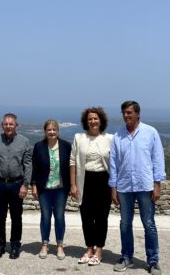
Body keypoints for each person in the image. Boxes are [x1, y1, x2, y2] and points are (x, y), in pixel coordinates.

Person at [110, 101, 166, 275]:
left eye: (129, 112)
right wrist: (113, 187)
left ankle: (153, 261)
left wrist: (157, 184)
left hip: (145, 185)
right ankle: (126, 257)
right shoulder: (118, 136)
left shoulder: (150, 132)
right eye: (124, 113)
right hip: (124, 186)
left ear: (137, 114)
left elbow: (158, 158)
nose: (126, 115)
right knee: (125, 224)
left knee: (149, 224)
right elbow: (113, 163)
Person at [69, 107, 113, 266]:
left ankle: (99, 250)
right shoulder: (78, 138)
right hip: (84, 180)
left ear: (101, 121)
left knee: (101, 217)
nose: (93, 121)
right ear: (86, 121)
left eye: (95, 118)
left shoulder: (110, 139)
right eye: (90, 119)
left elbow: (115, 163)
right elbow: (72, 161)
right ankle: (89, 249)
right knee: (86, 217)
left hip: (104, 181)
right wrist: (73, 184)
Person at [0, 113, 32, 259]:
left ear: (16, 125)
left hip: (17, 184)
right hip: (0, 184)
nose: (8, 126)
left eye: (11, 124)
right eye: (6, 124)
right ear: (2, 125)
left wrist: (25, 185)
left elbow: (28, 164)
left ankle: (15, 246)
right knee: (0, 217)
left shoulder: (24, 142)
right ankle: (0, 245)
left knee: (16, 217)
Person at [31, 119, 71, 260]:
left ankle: (60, 245)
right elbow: (35, 167)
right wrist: (34, 185)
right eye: (49, 129)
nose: (52, 132)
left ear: (58, 131)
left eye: (54, 129)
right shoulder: (39, 146)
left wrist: (73, 185)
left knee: (59, 217)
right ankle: (45, 244)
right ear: (45, 131)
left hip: (61, 188)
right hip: (44, 188)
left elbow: (71, 167)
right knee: (45, 217)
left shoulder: (66, 146)